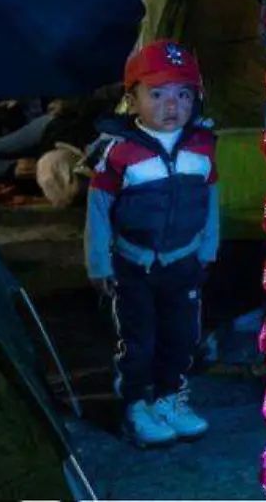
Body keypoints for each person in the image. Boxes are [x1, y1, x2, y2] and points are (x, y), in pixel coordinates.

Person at [85, 41, 219, 447]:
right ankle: (136, 405)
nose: (171, 105)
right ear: (132, 100)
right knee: (139, 338)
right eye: (156, 94)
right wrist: (98, 264)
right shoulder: (119, 152)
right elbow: (98, 209)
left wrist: (208, 249)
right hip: (134, 265)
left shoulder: (202, 145)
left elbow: (211, 198)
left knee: (181, 335)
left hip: (184, 261)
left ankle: (169, 398)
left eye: (183, 93)